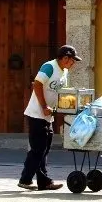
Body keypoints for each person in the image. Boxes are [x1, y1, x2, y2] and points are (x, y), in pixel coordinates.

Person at [18, 45, 82, 191]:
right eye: (72, 60)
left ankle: (43, 182)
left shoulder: (64, 72)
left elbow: (62, 94)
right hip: (36, 113)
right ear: (65, 58)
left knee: (44, 149)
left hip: (48, 116)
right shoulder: (49, 67)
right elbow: (37, 85)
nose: (73, 64)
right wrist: (44, 106)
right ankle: (25, 179)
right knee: (38, 149)